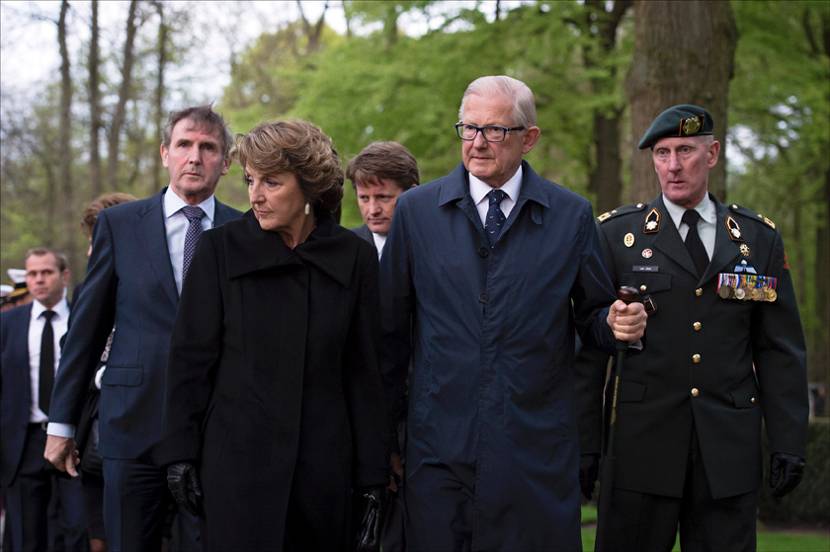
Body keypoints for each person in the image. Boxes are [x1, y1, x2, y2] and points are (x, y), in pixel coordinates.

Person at [379, 75, 647, 550]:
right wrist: (387, 440)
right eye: (468, 128)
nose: (478, 143)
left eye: (495, 131)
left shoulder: (571, 215)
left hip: (533, 453)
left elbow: (592, 315)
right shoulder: (416, 212)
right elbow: (390, 336)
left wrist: (613, 323)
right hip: (438, 453)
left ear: (530, 139)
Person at [577, 104, 808, 551]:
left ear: (713, 153)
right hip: (639, 451)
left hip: (727, 454)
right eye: (662, 153)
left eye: (685, 150)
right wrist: (585, 442)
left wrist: (789, 441)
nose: (673, 165)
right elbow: (588, 347)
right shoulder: (616, 237)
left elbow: (779, 349)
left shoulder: (757, 240)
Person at [155, 120, 389, 551]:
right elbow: (190, 362)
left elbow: (365, 374)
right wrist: (179, 454)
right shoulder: (219, 250)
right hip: (237, 472)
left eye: (272, 182)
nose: (255, 195)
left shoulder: (352, 258)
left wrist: (373, 477)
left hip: (324, 473)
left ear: (309, 187)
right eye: (250, 180)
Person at [43, 105, 242, 551]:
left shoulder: (244, 231)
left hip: (216, 430)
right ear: (164, 154)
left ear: (226, 162)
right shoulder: (119, 226)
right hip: (132, 425)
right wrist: (61, 423)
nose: (195, 157)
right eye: (184, 145)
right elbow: (86, 331)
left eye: (208, 148)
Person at [1, 247, 87, 551]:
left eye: (46, 272)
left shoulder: (83, 317)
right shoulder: (9, 324)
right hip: (23, 442)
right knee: (26, 532)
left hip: (74, 440)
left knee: (78, 528)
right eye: (32, 274)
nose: (38, 280)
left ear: (64, 276)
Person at [72, 192, 137, 552]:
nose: (89, 252)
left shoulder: (156, 282)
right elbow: (76, 349)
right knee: (97, 539)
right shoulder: (86, 288)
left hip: (141, 421)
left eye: (97, 242)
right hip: (94, 426)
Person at [347, 141, 419, 259]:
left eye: (383, 197)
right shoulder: (344, 251)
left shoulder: (436, 244)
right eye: (364, 198)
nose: (373, 210)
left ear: (412, 194)